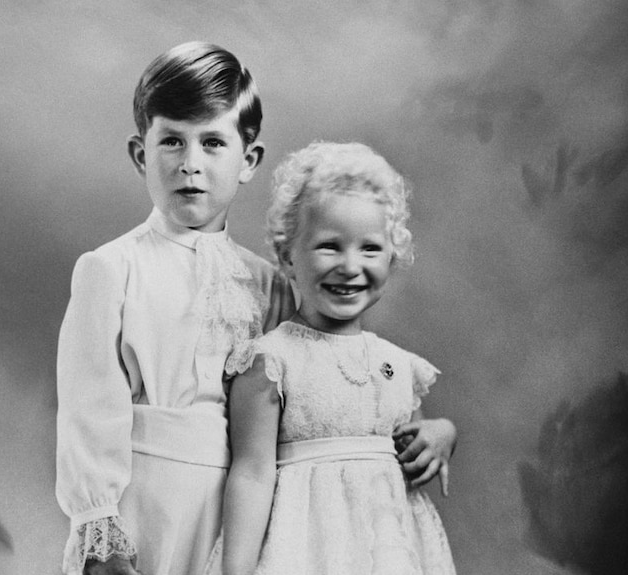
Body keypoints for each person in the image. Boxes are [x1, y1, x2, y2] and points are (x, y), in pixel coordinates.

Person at [55, 42, 455, 575]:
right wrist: (101, 528)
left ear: (248, 160)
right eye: (171, 140)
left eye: (212, 143)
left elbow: (315, 398)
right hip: (144, 505)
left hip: (248, 512)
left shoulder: (271, 285)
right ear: (140, 153)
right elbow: (89, 410)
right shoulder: (111, 268)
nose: (190, 164)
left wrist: (434, 428)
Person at [215, 142, 457, 575]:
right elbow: (251, 474)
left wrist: (443, 433)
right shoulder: (271, 361)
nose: (350, 266)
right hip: (306, 552)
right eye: (329, 246)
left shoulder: (398, 365)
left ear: (392, 256)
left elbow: (410, 438)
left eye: (370, 249)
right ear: (289, 254)